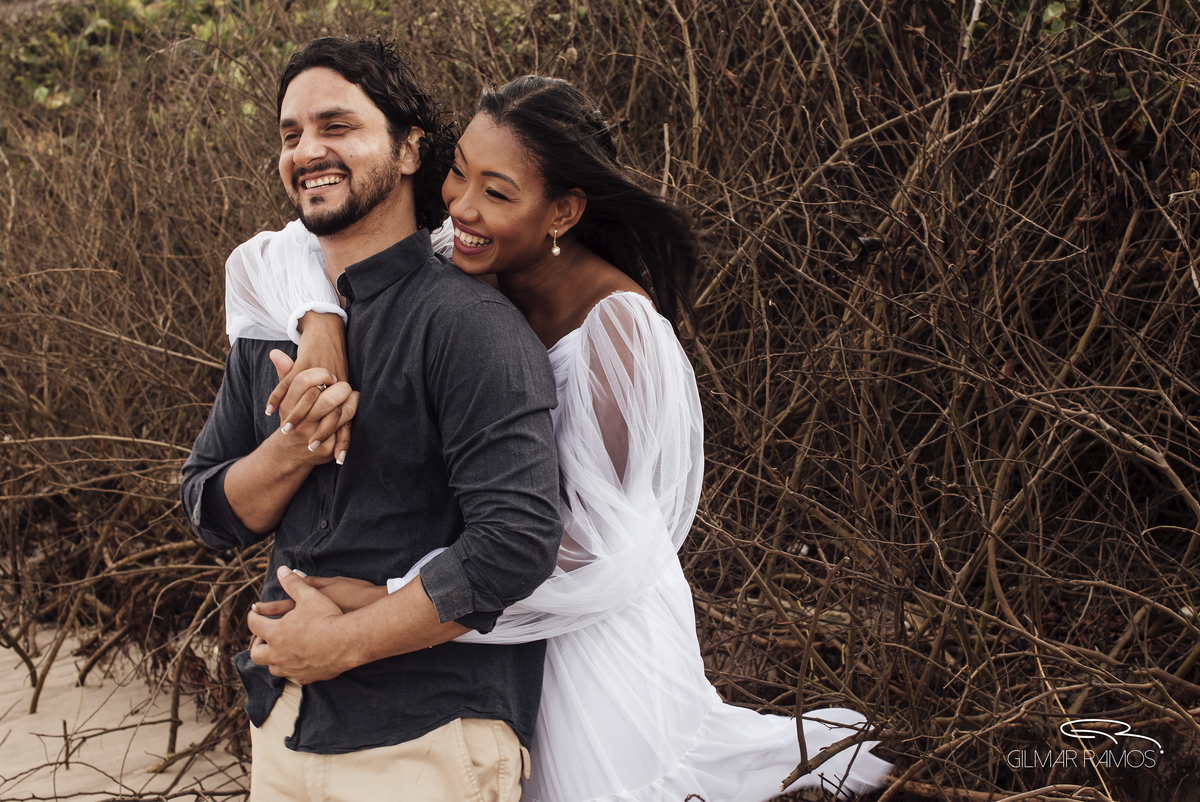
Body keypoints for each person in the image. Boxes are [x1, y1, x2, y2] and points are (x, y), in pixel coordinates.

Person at [229, 75, 893, 800]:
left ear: (562, 211)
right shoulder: (459, 247)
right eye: (459, 172)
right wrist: (319, 319)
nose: (462, 205)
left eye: (498, 191)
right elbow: (276, 251)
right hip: (479, 630)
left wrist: (378, 598)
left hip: (588, 639)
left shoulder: (618, 332)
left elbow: (588, 549)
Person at [180, 38, 564, 801]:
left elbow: (517, 542)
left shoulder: (467, 323)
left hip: (424, 739)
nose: (307, 151)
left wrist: (339, 644)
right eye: (290, 135)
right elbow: (209, 508)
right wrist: (293, 447)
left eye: (336, 126)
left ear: (411, 147)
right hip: (282, 721)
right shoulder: (272, 323)